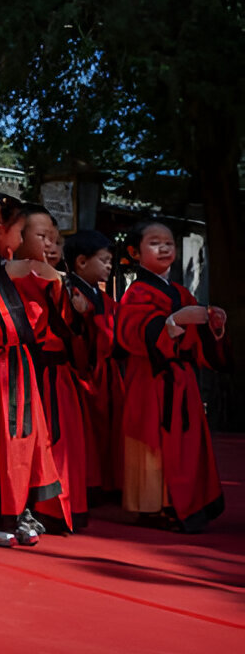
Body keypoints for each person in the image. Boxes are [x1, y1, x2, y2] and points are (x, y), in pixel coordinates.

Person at [0, 194, 61, 548]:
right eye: (22, 232)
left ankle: (17, 511)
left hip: (17, 366)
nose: (21, 241)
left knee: (21, 443)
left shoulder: (7, 268)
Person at [116, 220, 227, 532]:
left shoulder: (180, 292)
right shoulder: (135, 292)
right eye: (154, 243)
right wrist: (173, 322)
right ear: (135, 252)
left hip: (182, 380)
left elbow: (199, 343)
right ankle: (155, 505)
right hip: (151, 378)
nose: (164, 248)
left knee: (185, 443)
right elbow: (131, 333)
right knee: (152, 438)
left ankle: (186, 502)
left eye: (168, 243)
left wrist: (214, 327)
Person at [13, 205, 89, 532]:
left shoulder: (61, 280)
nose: (50, 245)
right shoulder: (13, 276)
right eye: (42, 236)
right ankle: (34, 507)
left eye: (55, 240)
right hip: (29, 372)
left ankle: (60, 507)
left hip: (58, 377)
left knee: (62, 444)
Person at [64, 229, 123, 495]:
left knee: (109, 427)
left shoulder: (103, 298)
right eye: (104, 260)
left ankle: (108, 482)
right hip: (84, 372)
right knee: (88, 429)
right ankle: (91, 485)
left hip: (107, 372)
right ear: (81, 261)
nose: (109, 266)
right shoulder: (70, 292)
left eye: (110, 261)